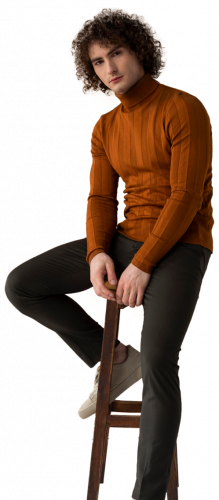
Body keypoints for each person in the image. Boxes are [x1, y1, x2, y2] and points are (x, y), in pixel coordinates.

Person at [4, 7, 214, 500]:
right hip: (123, 240)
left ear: (139, 51)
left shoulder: (182, 108)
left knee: (161, 364)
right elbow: (100, 198)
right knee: (22, 284)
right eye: (97, 61)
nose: (109, 68)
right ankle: (115, 356)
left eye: (116, 53)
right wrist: (100, 253)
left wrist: (141, 265)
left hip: (181, 243)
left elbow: (186, 195)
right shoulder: (105, 126)